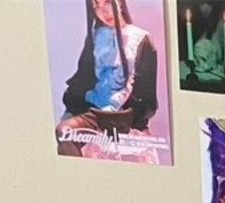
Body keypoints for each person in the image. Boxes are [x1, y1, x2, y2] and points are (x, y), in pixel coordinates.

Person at [56, 0, 159, 157]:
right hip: (95, 111)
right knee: (64, 132)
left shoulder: (141, 38)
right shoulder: (96, 36)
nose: (103, 11)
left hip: (123, 114)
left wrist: (132, 118)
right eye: (96, 6)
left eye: (107, 3)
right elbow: (83, 76)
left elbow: (147, 94)